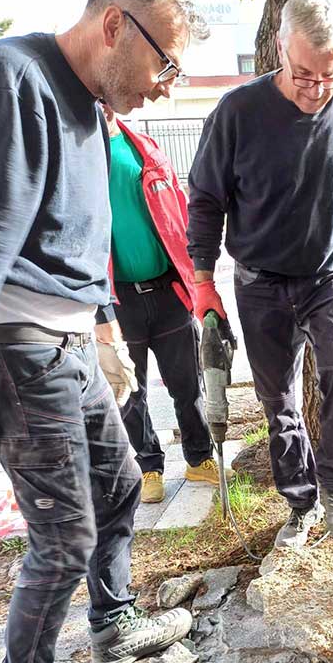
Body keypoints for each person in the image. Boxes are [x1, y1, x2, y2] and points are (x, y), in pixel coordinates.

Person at [0, 0, 207, 663]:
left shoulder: (92, 109)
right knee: (62, 533)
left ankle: (113, 620)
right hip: (13, 343)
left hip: (69, 339)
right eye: (165, 60)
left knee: (123, 484)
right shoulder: (9, 78)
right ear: (112, 26)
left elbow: (81, 230)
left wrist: (104, 330)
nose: (168, 81)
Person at [187, 0, 333, 549]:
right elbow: (204, 200)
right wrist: (203, 283)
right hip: (260, 283)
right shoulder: (237, 112)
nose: (315, 89)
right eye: (303, 74)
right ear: (280, 45)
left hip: (329, 278)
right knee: (279, 404)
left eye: (328, 76)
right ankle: (299, 504)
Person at [102, 104, 222, 504]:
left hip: (167, 290)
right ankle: (149, 466)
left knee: (187, 384)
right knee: (130, 392)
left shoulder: (144, 149)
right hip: (118, 301)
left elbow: (177, 216)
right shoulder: (76, 154)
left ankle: (199, 457)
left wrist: (194, 276)